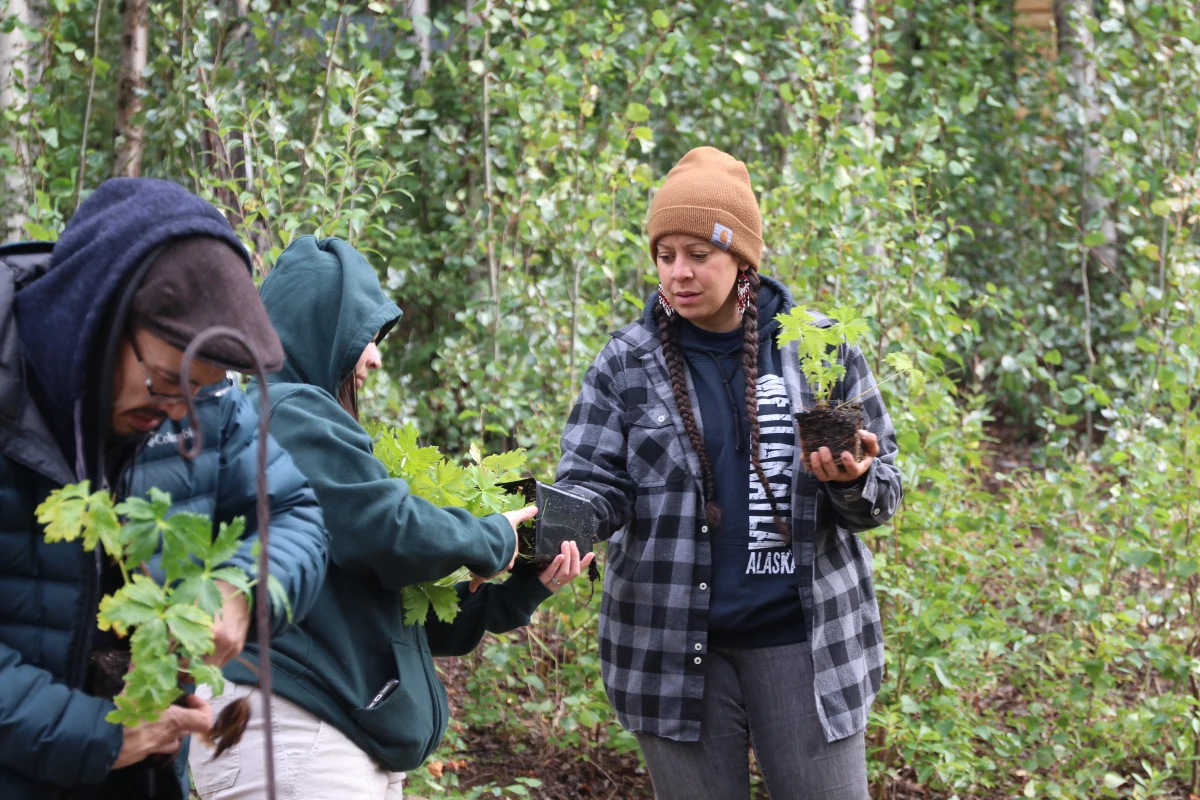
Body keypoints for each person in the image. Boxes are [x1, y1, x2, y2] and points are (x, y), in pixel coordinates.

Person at [189, 235, 594, 799]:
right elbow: (391, 529)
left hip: (318, 735)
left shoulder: (294, 427)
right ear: (321, 326)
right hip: (294, 730)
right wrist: (493, 536)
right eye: (367, 337)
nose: (375, 357)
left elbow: (394, 622)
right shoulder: (281, 410)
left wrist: (520, 592)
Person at [555, 147, 903, 799]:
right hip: (670, 651)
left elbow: (881, 498)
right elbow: (592, 483)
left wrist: (850, 479)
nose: (679, 274)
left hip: (805, 647)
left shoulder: (819, 349)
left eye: (699, 255)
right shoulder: (625, 363)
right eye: (666, 256)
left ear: (742, 258)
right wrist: (558, 530)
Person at [0, 179, 330, 800]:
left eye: (199, 389)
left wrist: (239, 591)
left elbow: (294, 514)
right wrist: (96, 733)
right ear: (95, 318)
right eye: (162, 381)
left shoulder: (207, 405)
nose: (180, 410)